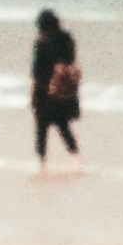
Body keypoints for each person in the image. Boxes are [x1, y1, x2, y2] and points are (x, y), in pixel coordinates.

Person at [29, 10, 83, 164]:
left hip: (43, 91)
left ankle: (41, 163)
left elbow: (36, 71)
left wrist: (33, 94)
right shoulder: (66, 39)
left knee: (41, 129)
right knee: (62, 125)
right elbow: (71, 61)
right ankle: (76, 159)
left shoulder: (41, 43)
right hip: (62, 90)